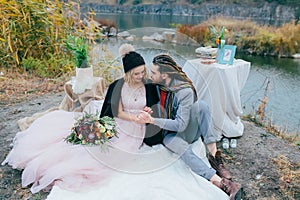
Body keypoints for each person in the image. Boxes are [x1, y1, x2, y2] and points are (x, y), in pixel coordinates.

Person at [2, 45, 229, 200]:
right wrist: (136, 117)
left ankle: (213, 161)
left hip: (140, 128)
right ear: (129, 73)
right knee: (91, 149)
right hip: (124, 124)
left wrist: (148, 112)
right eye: (138, 73)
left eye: (144, 72)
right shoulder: (118, 86)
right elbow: (116, 112)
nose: (142, 76)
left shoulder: (150, 85)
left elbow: (156, 104)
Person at [138, 54, 243, 200]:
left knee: (202, 106)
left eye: (154, 72)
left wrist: (153, 120)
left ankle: (216, 160)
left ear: (164, 75)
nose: (151, 75)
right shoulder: (156, 85)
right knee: (177, 144)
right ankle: (222, 183)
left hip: (183, 128)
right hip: (168, 134)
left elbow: (181, 124)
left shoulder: (183, 90)